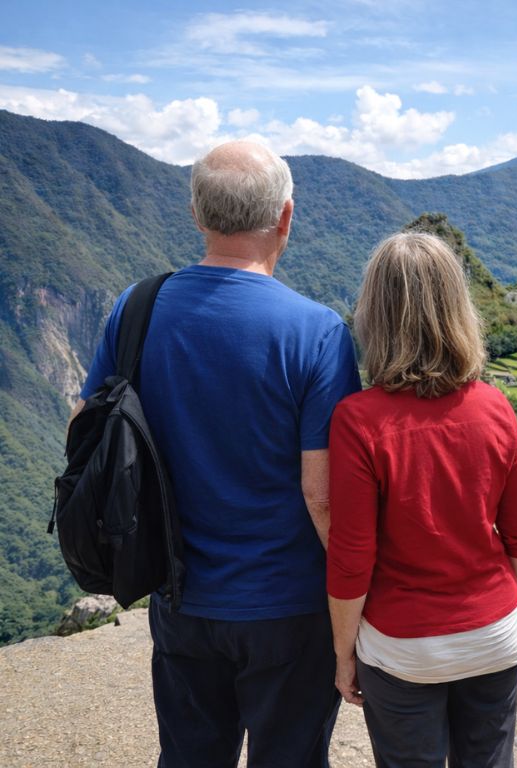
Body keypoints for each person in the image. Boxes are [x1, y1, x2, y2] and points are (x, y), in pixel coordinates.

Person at [74, 140, 361, 767]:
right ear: (286, 217)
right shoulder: (318, 333)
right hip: (289, 604)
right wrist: (353, 621)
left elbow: (85, 426)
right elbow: (321, 494)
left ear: (196, 215)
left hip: (179, 594)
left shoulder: (137, 308)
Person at [327, 231, 517, 768]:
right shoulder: (495, 408)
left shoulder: (358, 421)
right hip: (495, 632)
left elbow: (353, 557)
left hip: (404, 646)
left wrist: (343, 652)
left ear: (374, 315)